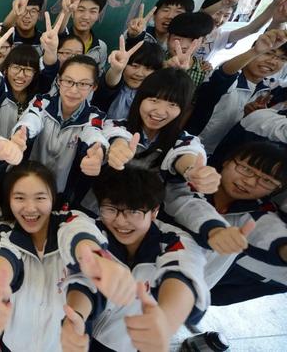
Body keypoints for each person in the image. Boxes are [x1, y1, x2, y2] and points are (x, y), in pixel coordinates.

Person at [0, 161, 136, 352]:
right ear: (9, 199)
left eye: (40, 198)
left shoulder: (72, 220)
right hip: (15, 344)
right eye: (20, 198)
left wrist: (94, 259)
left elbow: (79, 236)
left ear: (52, 197)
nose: (30, 208)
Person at [70, 166, 209, 351]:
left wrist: (166, 320)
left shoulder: (172, 240)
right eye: (111, 209)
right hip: (76, 333)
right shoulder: (93, 228)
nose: (120, 221)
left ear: (154, 211)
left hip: (123, 344)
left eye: (134, 212)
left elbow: (184, 274)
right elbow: (75, 237)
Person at [163, 141, 287, 302]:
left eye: (267, 181)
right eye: (246, 169)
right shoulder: (195, 177)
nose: (250, 182)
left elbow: (267, 231)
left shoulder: (261, 211)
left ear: (276, 190)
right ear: (227, 161)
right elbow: (188, 205)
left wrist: (283, 249)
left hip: (181, 297)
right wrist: (215, 229)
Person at [102, 68, 221, 195]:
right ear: (139, 99)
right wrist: (118, 145)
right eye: (154, 100)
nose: (160, 112)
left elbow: (187, 152)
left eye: (173, 104)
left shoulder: (184, 140)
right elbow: (114, 134)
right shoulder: (115, 125)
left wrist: (191, 171)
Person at [9, 55, 108, 206]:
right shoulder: (42, 102)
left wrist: (98, 151)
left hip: (61, 195)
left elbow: (93, 133)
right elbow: (31, 118)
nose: (73, 90)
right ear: (58, 81)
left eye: (83, 84)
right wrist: (22, 134)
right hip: (27, 185)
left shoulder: (94, 117)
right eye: (68, 81)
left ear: (93, 87)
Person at [186, 29, 287, 154]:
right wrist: (255, 51)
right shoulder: (231, 75)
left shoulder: (272, 88)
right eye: (267, 53)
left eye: (282, 58)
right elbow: (224, 73)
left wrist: (255, 116)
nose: (273, 62)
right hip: (190, 147)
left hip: (227, 156)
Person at [91, 39, 163, 120]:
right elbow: (110, 83)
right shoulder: (114, 83)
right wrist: (116, 70)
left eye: (148, 68)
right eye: (134, 66)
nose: (139, 73)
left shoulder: (156, 94)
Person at [125, 0, 195, 50]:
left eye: (179, 12)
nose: (170, 16)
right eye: (166, 10)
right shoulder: (140, 32)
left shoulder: (184, 45)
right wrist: (134, 36)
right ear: (154, 15)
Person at [162, 12, 214, 87]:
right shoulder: (154, 61)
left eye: (192, 41)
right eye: (177, 39)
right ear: (167, 38)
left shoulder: (204, 72)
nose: (183, 46)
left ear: (203, 41)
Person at [68, 0, 108, 69]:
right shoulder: (58, 39)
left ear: (98, 15)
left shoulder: (101, 47)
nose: (86, 17)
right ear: (72, 12)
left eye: (93, 11)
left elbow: (99, 74)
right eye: (81, 10)